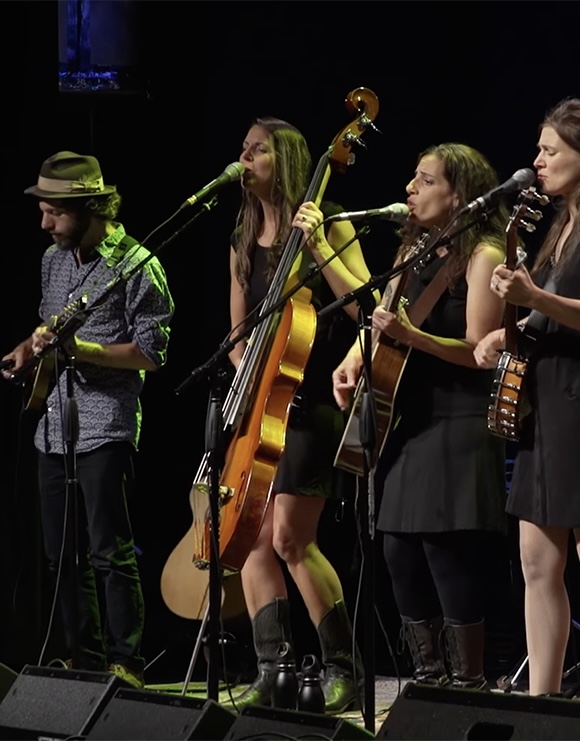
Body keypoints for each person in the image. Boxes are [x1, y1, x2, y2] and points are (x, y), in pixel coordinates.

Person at [474, 98, 580, 710]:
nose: (538, 161)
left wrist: (533, 299)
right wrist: (505, 332)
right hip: (545, 411)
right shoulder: (559, 227)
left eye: (551, 150)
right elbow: (550, 314)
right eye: (540, 149)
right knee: (535, 561)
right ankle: (540, 702)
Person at [331, 143, 509, 689]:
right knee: (397, 549)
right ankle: (429, 676)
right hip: (411, 419)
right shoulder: (414, 252)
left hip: (460, 419)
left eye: (425, 180)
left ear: (459, 194)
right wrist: (352, 360)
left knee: (445, 549)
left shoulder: (485, 255)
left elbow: (480, 348)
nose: (410, 188)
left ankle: (468, 680)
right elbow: (381, 322)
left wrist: (410, 336)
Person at [2, 151, 174, 689]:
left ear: (88, 207)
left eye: (54, 212)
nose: (45, 223)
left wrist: (84, 350)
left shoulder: (138, 264)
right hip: (52, 427)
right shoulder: (55, 260)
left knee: (109, 552)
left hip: (105, 426)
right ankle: (82, 659)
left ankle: (127, 664)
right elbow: (49, 322)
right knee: (61, 556)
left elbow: (151, 353)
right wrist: (28, 348)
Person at [226, 117, 371, 713]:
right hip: (261, 403)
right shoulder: (241, 236)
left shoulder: (327, 218)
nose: (243, 157)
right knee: (251, 538)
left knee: (290, 538)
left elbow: (364, 301)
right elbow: (237, 333)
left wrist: (315, 246)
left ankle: (344, 667)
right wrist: (248, 379)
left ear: (283, 159)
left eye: (256, 150)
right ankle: (274, 672)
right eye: (243, 148)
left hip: (311, 404)